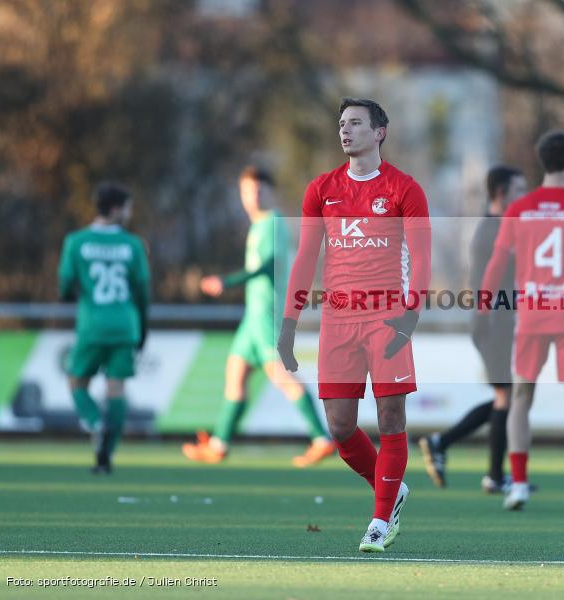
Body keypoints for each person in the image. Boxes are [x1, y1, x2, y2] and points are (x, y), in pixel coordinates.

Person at [277, 98, 432, 553]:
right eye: (342, 124)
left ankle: (381, 520)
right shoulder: (321, 189)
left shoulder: (405, 188)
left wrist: (410, 315)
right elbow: (306, 258)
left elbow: (422, 257)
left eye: (356, 124)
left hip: (387, 319)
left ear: (380, 131)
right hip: (339, 322)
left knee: (391, 419)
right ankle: (391, 487)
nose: (345, 131)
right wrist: (288, 325)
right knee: (340, 427)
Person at [479, 130, 564, 513]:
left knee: (521, 397)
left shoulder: (518, 210)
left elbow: (496, 264)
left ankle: (518, 485)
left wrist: (484, 310)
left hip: (532, 315)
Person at [182, 167, 335, 467]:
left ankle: (322, 439)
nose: (253, 196)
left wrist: (227, 282)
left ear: (270, 192)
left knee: (280, 375)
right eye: (247, 191)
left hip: (267, 313)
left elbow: (268, 266)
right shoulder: (257, 226)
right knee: (235, 372)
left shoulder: (274, 222)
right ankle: (219, 444)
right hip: (252, 317)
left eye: (259, 190)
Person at [418, 165, 526, 493]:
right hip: (495, 323)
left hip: (496, 322)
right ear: (502, 194)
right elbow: (487, 285)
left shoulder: (497, 227)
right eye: (520, 190)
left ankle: (443, 444)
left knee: (505, 398)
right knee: (508, 397)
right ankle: (493, 475)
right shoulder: (494, 230)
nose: (525, 197)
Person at [58, 182, 150, 474]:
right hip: (125, 325)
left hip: (92, 326)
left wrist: (74, 296)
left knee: (76, 382)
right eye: (127, 207)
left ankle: (94, 422)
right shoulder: (132, 244)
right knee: (116, 389)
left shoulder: (75, 241)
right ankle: (106, 456)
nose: (129, 213)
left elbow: (64, 284)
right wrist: (143, 329)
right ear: (115, 209)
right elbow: (143, 291)